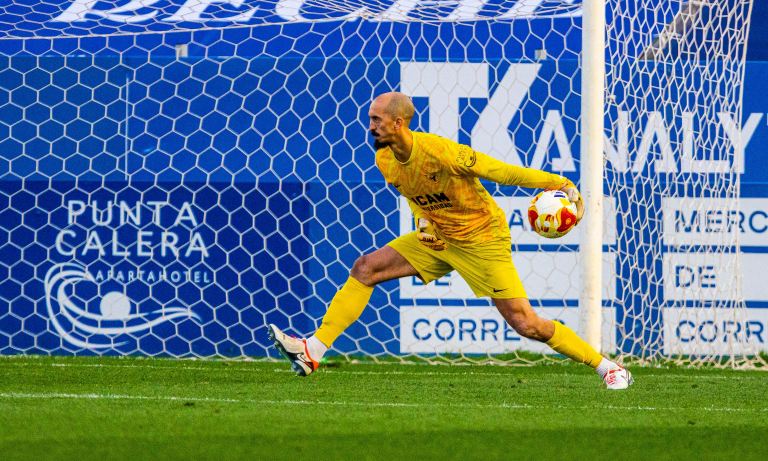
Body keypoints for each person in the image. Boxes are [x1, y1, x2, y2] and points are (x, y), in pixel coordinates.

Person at [269, 92, 633, 390]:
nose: (371, 125)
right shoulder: (384, 159)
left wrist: (555, 182)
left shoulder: (442, 152)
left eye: (377, 119)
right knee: (366, 268)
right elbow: (416, 196)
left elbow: (500, 171)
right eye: (370, 119)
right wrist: (424, 227)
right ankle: (311, 351)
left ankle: (608, 367)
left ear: (398, 123)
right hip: (438, 237)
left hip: (483, 239)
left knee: (525, 323)